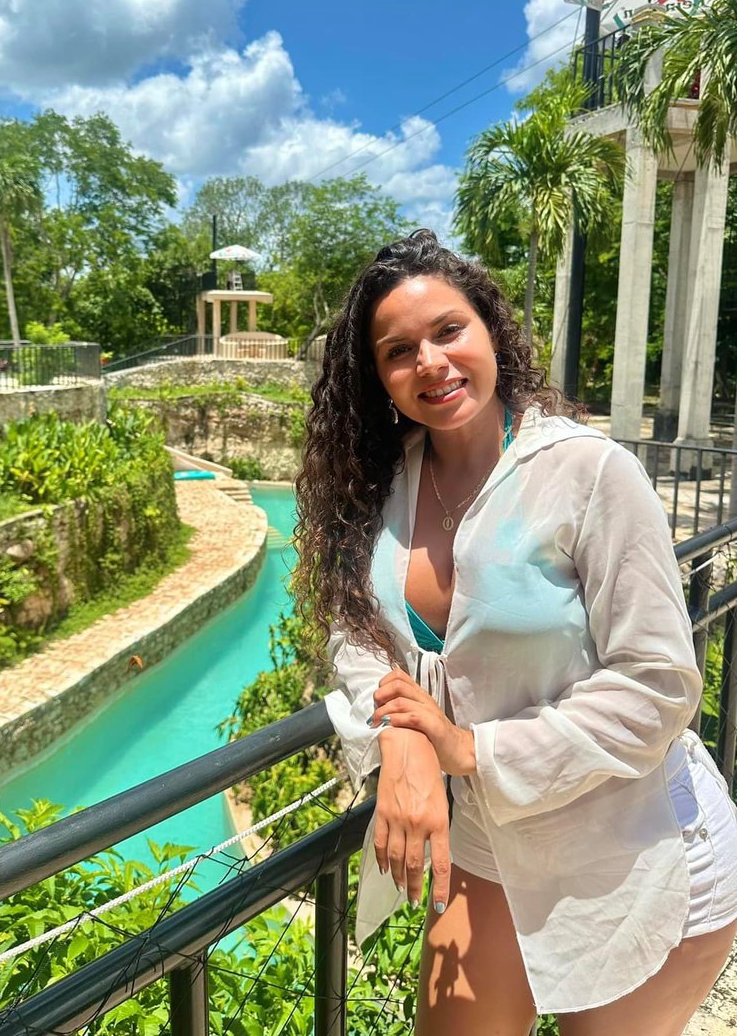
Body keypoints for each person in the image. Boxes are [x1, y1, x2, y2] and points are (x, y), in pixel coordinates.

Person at [292, 230, 737, 1036]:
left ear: (489, 330)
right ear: (379, 378)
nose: (429, 360)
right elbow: (355, 630)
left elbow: (661, 684)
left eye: (448, 331)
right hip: (489, 846)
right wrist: (402, 735)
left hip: (633, 840)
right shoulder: (389, 481)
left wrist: (467, 751)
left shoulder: (588, 474)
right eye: (398, 350)